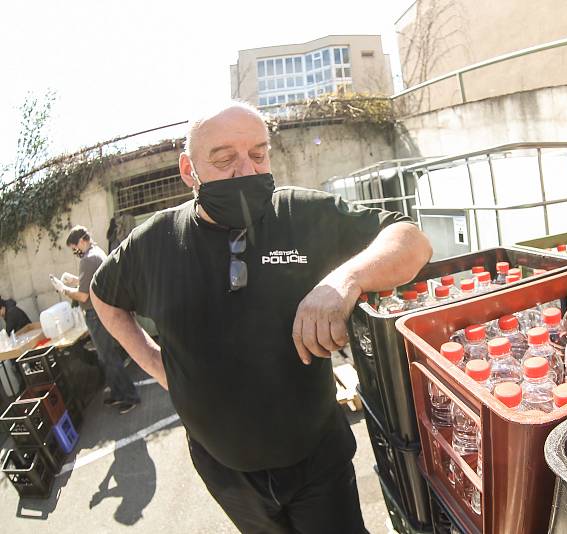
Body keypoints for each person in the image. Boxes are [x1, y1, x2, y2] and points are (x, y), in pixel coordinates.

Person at [89, 101, 432, 534]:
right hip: (227, 475)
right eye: (224, 159)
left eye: (258, 153)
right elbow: (104, 298)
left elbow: (411, 241)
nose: (247, 171)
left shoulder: (300, 215)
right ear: (188, 170)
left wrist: (343, 280)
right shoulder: (152, 245)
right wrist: (158, 366)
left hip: (318, 463)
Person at [53, 226, 140, 414]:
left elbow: (83, 296)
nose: (75, 251)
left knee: (108, 356)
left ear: (82, 241)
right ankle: (118, 393)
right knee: (106, 356)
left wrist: (63, 289)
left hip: (95, 313)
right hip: (102, 311)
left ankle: (129, 396)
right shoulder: (96, 252)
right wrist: (75, 280)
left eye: (74, 247)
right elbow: (91, 282)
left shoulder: (87, 259)